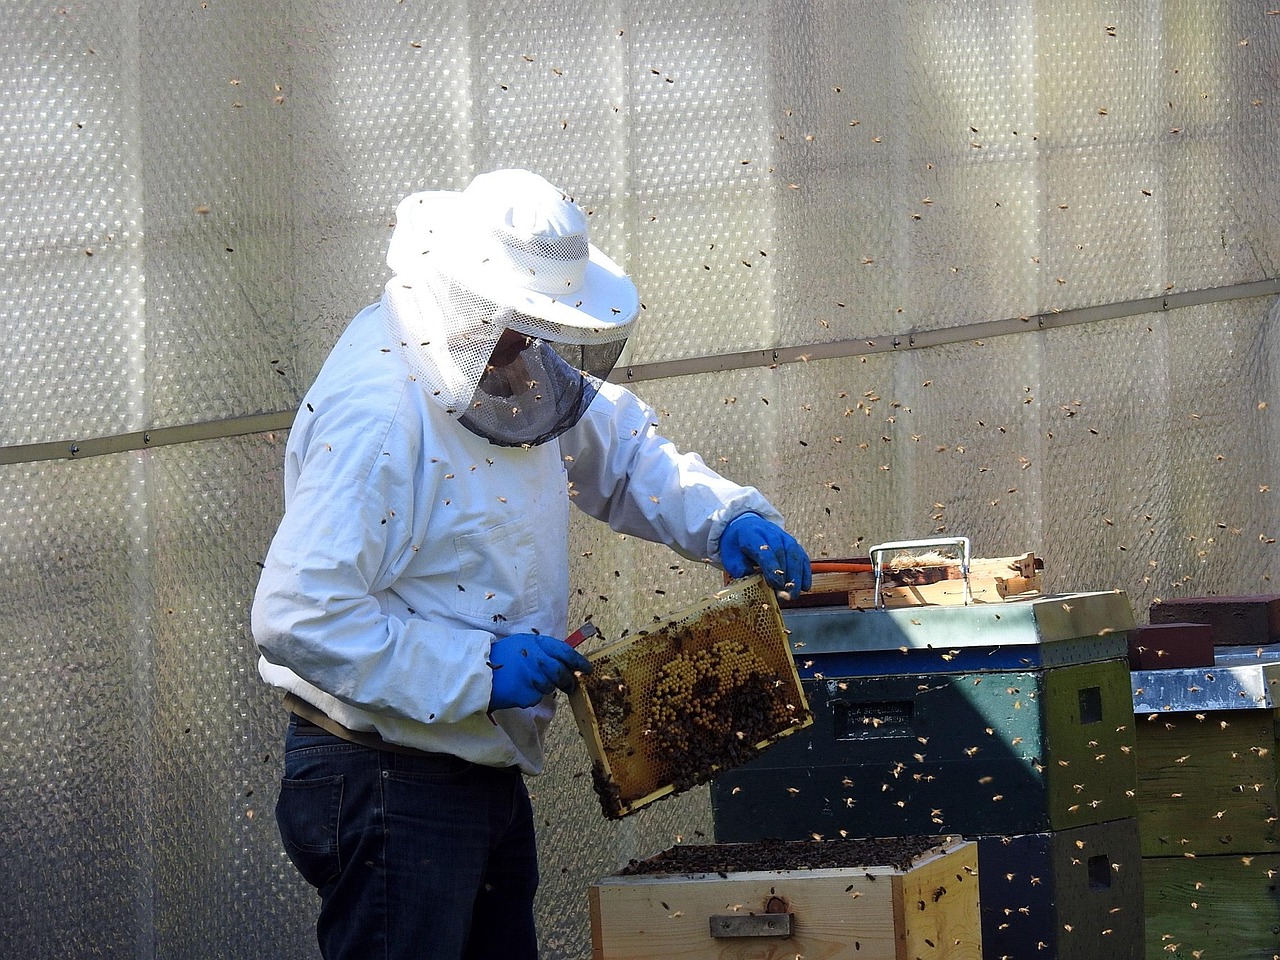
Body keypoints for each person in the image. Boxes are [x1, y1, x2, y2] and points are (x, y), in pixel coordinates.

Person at [251, 168, 812, 960]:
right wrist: (475, 668)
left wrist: (724, 515)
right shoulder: (379, 415)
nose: (532, 343)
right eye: (521, 320)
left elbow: (613, 450)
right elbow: (297, 614)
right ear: (470, 297)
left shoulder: (498, 358)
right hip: (385, 776)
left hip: (469, 765)